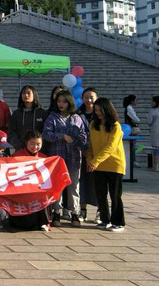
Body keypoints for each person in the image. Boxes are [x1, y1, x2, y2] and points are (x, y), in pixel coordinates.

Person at [43, 89, 88, 227]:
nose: (61, 104)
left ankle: (74, 212)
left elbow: (84, 136)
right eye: (59, 101)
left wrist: (75, 140)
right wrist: (61, 136)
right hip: (57, 158)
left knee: (74, 186)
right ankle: (56, 212)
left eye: (64, 102)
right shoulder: (52, 117)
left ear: (70, 103)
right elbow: (46, 134)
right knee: (58, 186)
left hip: (74, 158)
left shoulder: (77, 118)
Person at [87, 98, 126, 231]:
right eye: (96, 110)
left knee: (115, 195)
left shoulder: (115, 126)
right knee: (100, 195)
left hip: (114, 165)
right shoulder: (93, 124)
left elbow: (110, 147)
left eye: (100, 110)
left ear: (108, 110)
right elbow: (91, 145)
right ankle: (105, 220)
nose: (98, 113)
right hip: (98, 166)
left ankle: (118, 222)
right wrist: (90, 159)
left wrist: (95, 161)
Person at [8, 130, 51, 231]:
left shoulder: (43, 158)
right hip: (21, 188)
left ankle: (44, 222)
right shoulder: (17, 156)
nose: (35, 147)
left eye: (38, 144)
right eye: (32, 143)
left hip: (38, 189)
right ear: (26, 142)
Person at [77, 88, 99, 222]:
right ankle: (82, 210)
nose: (89, 100)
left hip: (98, 155)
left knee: (99, 183)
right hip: (82, 153)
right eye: (86, 97)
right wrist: (81, 147)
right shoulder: (78, 114)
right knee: (82, 182)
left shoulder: (101, 115)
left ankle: (100, 211)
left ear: (97, 98)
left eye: (91, 97)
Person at [8, 85, 47, 151]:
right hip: (21, 150)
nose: (26, 95)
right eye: (23, 93)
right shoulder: (16, 114)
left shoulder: (42, 113)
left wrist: (38, 145)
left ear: (34, 95)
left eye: (28, 93)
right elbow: (11, 132)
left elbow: (46, 132)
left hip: (38, 150)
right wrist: (19, 146)